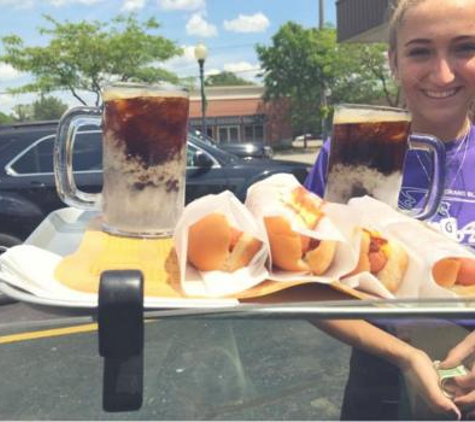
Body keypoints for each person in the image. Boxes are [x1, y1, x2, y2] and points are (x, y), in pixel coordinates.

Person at [306, 0, 475, 419]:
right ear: (394, 62)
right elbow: (306, 283)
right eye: (420, 51)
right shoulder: (352, 154)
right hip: (378, 380)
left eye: (464, 47)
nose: (443, 73)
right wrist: (403, 355)